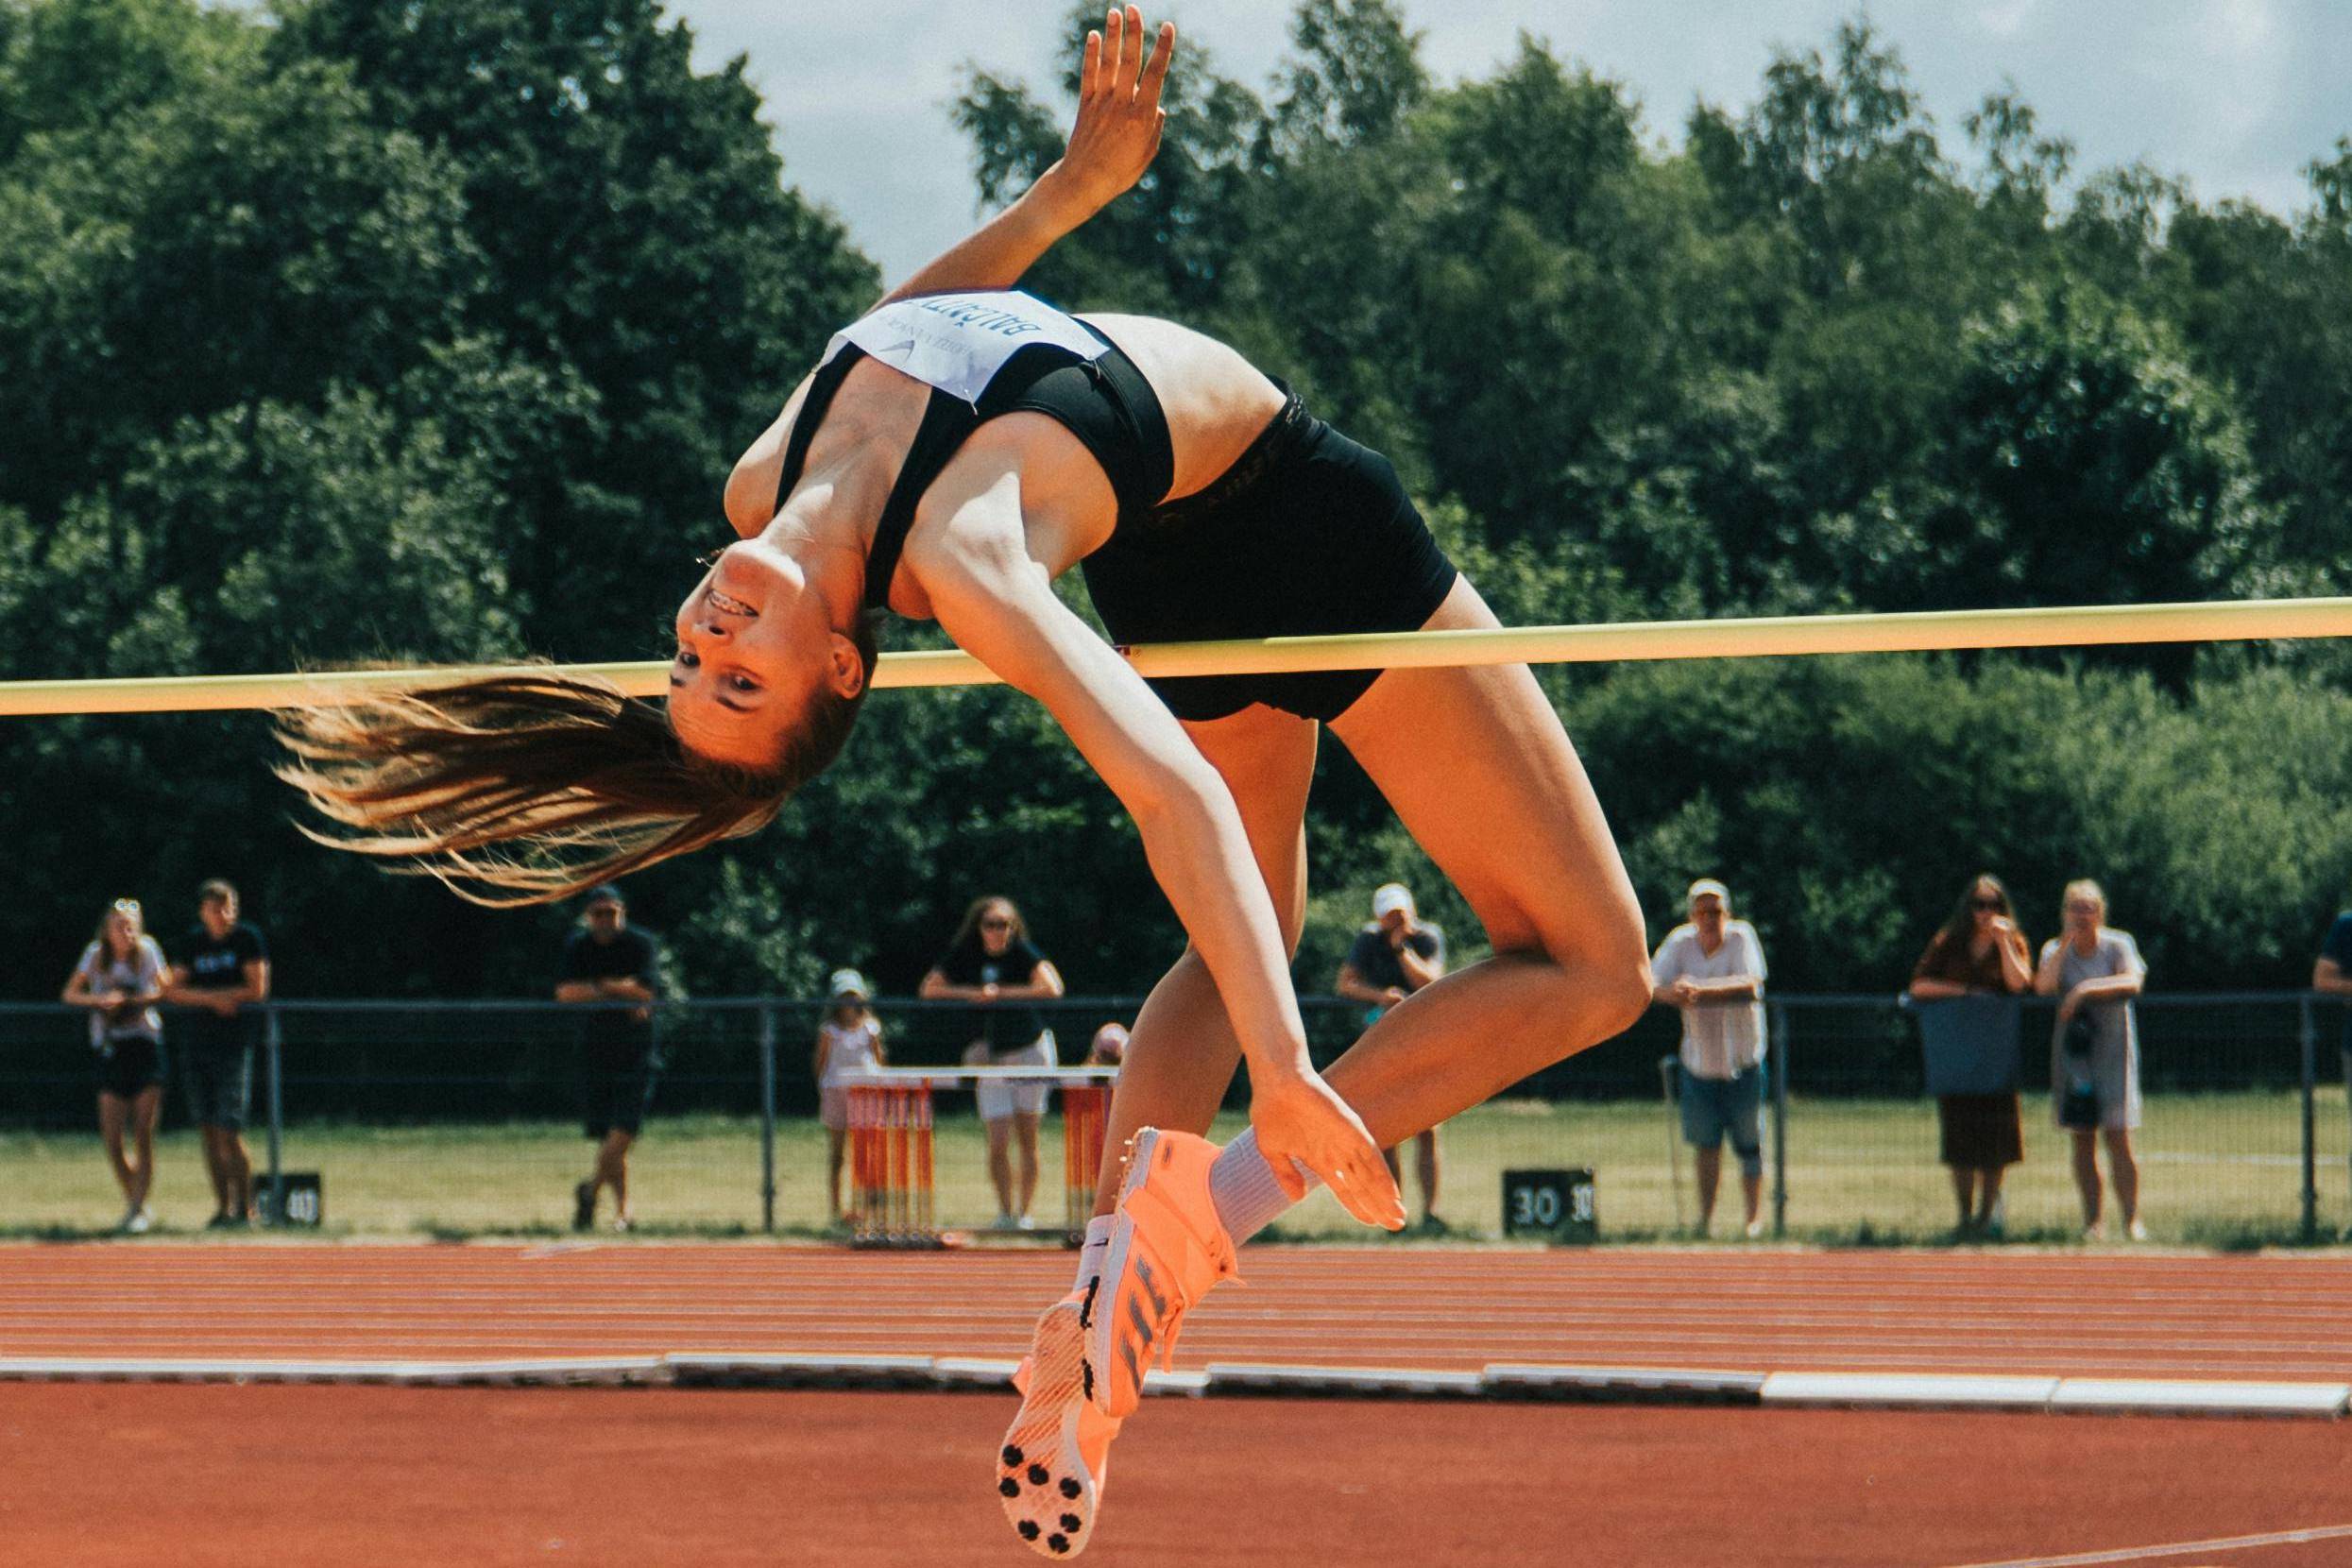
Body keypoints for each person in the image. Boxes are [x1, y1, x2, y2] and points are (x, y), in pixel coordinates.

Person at [274, 13, 1650, 1556]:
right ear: (842, 670)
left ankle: (1101, 1314)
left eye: (690, 671)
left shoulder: (760, 481)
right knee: (1595, 966)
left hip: (1171, 549)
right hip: (1297, 516)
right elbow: (1165, 799)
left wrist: (1071, 192)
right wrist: (1282, 1066)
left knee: (1253, 912)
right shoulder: (961, 564)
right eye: (745, 680)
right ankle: (1222, 1207)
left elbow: (912, 328)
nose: (707, 643)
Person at [920, 896, 1066, 1230]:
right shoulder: (965, 954)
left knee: (1028, 1135)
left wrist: (1001, 993)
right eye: (990, 924)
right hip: (990, 1056)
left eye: (1004, 925)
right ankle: (1004, 1212)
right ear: (979, 927)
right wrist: (972, 993)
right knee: (998, 1138)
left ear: (1013, 928)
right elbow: (930, 989)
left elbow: (1052, 987)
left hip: (1029, 1049)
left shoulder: (1024, 953)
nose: (997, 931)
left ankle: (1024, 1213)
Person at [1908, 874, 2033, 1236]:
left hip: (1997, 1057)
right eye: (1979, 904)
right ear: (1968, 907)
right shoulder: (1948, 942)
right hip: (1957, 1055)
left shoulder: (2013, 941)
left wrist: (2005, 941)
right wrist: (1964, 991)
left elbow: (2019, 983)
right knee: (1960, 1142)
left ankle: (1987, 1217)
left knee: (1997, 1144)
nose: (1985, 912)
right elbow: (1918, 985)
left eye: (1993, 904)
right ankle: (1964, 1217)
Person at [1647, 878, 1768, 1238]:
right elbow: (1651, 985)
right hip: (1699, 1061)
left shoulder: (1742, 937)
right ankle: (1706, 1221)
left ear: (1726, 913)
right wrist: (1675, 993)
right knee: (1706, 1145)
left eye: (1716, 911)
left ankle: (1753, 1221)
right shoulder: (1679, 943)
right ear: (1692, 916)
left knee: (1750, 1144)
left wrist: (1698, 991)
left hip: (1743, 1059)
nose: (1710, 918)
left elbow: (1752, 985)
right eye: (1702, 911)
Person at [2036, 879, 2148, 1241]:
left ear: (2101, 912)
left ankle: (2132, 1220)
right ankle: (2093, 1222)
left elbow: (2133, 982)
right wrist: (2065, 945)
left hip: (2115, 1053)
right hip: (2074, 1056)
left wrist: (2083, 991)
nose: (2082, 915)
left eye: (2089, 908)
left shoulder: (2119, 944)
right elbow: (2043, 986)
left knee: (2119, 1137)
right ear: (2063, 912)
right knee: (2082, 1138)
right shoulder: (2054, 949)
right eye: (2075, 908)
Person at [1333, 882, 1448, 1231]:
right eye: (1390, 917)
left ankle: (1431, 1212)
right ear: (1380, 918)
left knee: (1427, 1129)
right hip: (1383, 1041)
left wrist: (1402, 951)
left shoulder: (1427, 937)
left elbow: (1430, 980)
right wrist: (1381, 996)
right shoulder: (1367, 941)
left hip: (1422, 1039)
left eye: (1402, 915)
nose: (1397, 922)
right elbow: (1345, 983)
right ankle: (1395, 1215)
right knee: (1385, 1132)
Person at [162, 879, 271, 1227]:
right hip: (197, 1043)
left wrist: (226, 997)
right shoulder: (193, 942)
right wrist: (213, 999)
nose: (223, 915)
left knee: (230, 1129)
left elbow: (257, 988)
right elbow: (174, 991)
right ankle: (223, 1207)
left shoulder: (246, 939)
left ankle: (248, 1207)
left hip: (233, 1045)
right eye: (215, 908)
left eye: (229, 907)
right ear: (202, 912)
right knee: (207, 1130)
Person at [554, 883, 662, 1232]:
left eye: (610, 913)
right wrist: (617, 989)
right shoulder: (578, 946)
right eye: (598, 914)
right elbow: (566, 993)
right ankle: (623, 1212)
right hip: (595, 1048)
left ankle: (590, 1189)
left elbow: (647, 991)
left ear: (622, 913)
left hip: (636, 1048)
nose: (604, 921)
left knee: (625, 1128)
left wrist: (598, 990)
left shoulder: (639, 944)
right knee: (608, 1135)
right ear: (589, 917)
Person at [62, 898, 169, 1234]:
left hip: (144, 1044)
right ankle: (136, 1202)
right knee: (112, 1137)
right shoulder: (95, 955)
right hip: (111, 1046)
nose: (127, 932)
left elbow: (166, 989)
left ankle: (136, 1208)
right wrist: (101, 1001)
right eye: (120, 926)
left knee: (143, 1132)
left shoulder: (148, 951)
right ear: (107, 930)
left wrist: (135, 1001)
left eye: (131, 925)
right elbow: (70, 994)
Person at [814, 966, 885, 1226]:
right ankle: (836, 1209)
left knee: (866, 1153)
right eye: (844, 996)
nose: (848, 1002)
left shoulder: (870, 1028)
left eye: (853, 996)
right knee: (837, 1154)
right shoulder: (829, 1030)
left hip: (865, 1093)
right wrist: (824, 1086)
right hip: (836, 1092)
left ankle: (865, 1207)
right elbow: (820, 1062)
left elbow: (879, 1061)